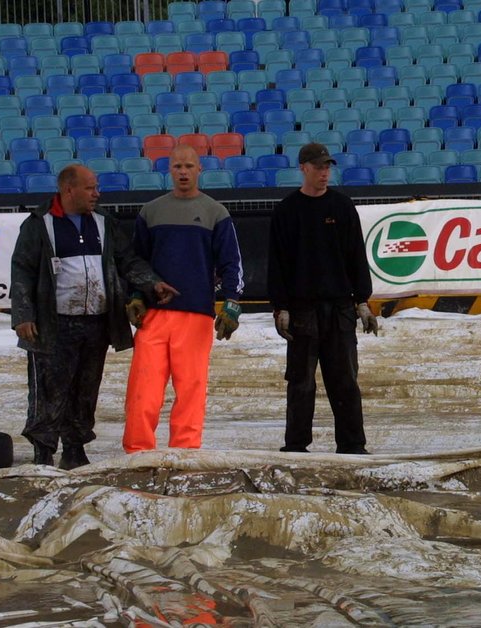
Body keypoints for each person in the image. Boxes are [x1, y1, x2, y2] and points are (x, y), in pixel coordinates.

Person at [10, 165, 177, 469]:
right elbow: (22, 270)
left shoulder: (104, 223)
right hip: (52, 325)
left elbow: (127, 261)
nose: (97, 194)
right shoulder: (39, 225)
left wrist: (152, 283)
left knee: (86, 389)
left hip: (96, 323)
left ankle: (74, 449)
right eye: (90, 188)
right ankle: (43, 452)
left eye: (96, 187)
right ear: (68, 189)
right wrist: (23, 315)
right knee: (48, 391)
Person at [122, 144, 244, 453]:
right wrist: (136, 295)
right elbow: (136, 261)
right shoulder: (151, 212)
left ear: (199, 169)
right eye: (177, 166)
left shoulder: (216, 213)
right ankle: (137, 451)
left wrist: (231, 304)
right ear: (169, 170)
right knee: (143, 389)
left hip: (196, 315)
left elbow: (231, 263)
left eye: (189, 166)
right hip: (154, 315)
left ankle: (185, 452)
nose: (183, 172)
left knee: (191, 388)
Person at [268, 143, 380, 455]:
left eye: (327, 167)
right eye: (318, 167)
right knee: (300, 382)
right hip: (302, 310)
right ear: (303, 168)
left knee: (345, 380)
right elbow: (277, 263)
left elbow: (357, 257)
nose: (324, 172)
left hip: (340, 308)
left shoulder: (342, 207)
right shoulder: (287, 210)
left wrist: (362, 302)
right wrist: (280, 307)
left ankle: (352, 446)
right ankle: (295, 446)